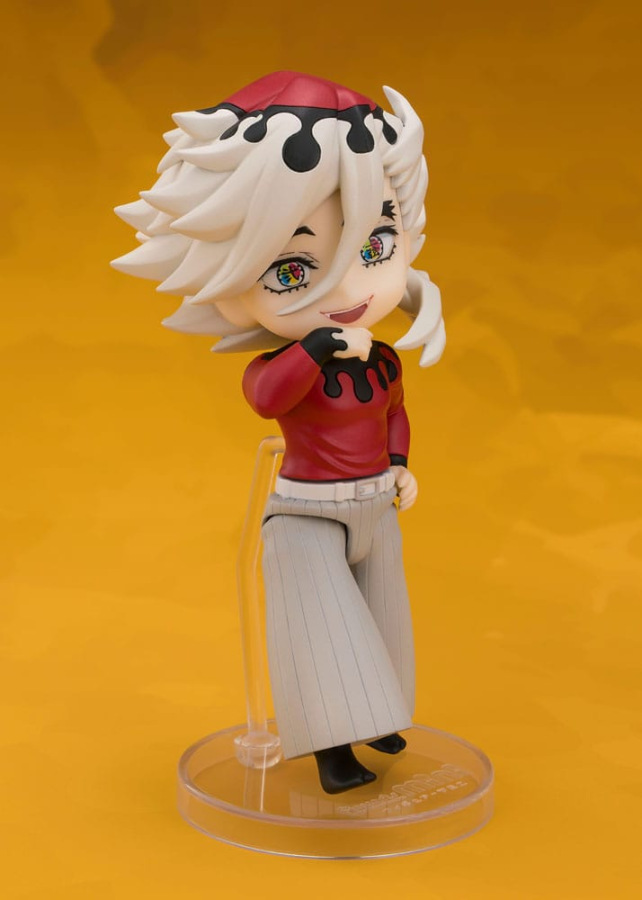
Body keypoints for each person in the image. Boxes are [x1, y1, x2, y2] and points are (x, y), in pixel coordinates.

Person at [112, 70, 445, 793]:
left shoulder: (382, 360)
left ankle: (381, 715)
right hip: (306, 513)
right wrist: (314, 347)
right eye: (294, 269)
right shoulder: (286, 364)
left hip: (376, 501)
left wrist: (399, 461)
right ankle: (333, 753)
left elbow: (394, 410)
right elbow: (267, 398)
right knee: (322, 631)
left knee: (383, 616)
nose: (346, 290)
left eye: (376, 246)